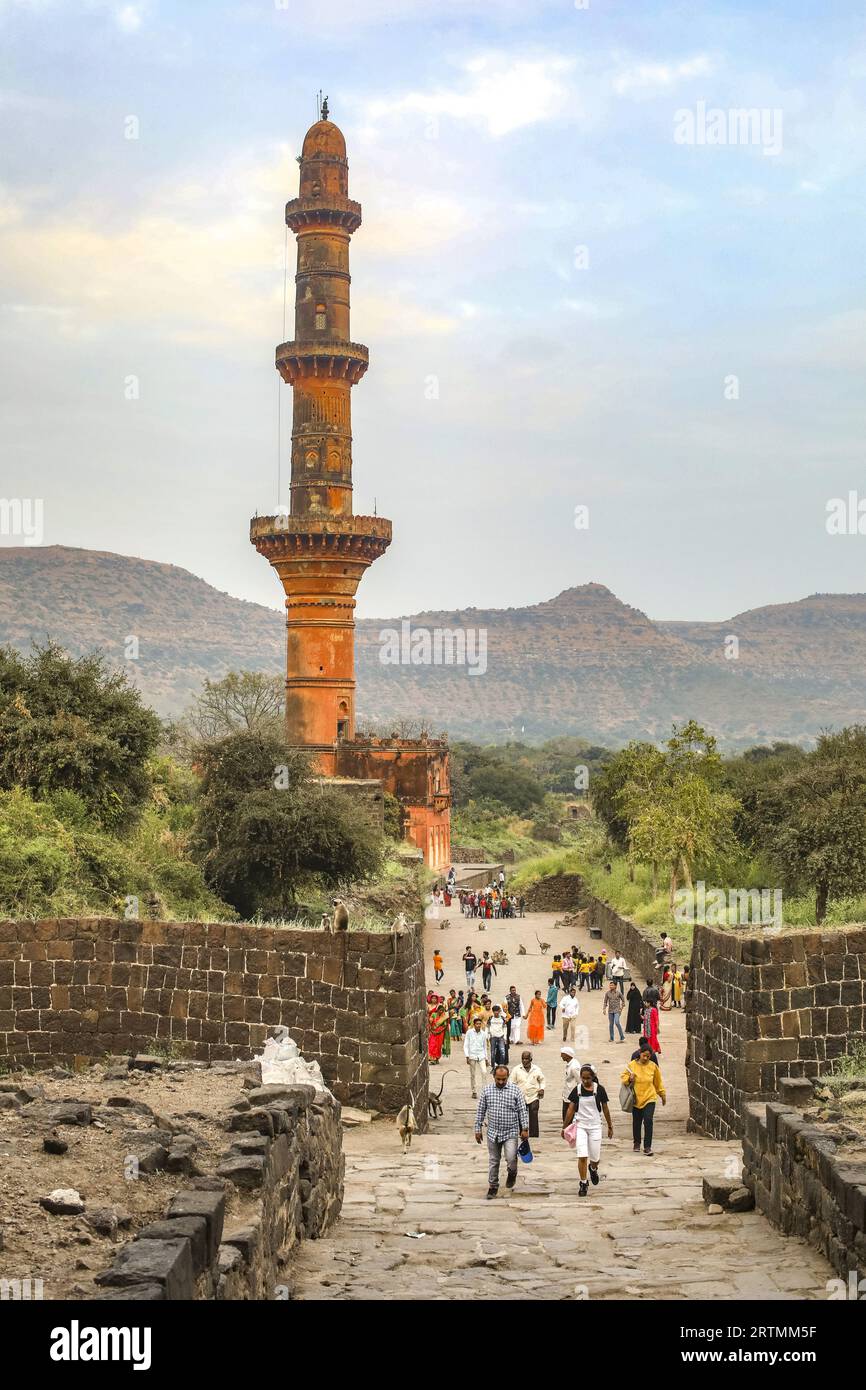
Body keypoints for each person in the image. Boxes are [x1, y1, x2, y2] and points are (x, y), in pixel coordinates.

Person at [474, 1064, 529, 1199]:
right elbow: (481, 1110)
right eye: (498, 1079)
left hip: (510, 1131)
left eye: (503, 1079)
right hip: (493, 1132)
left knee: (511, 1158)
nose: (501, 1082)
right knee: (494, 1160)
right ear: (494, 1077)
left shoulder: (515, 1091)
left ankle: (512, 1172)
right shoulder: (487, 1091)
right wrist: (477, 1128)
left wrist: (525, 1128)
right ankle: (493, 1186)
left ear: (507, 1077)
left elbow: (522, 1110)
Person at [562, 1063, 613, 1197]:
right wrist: (564, 1127)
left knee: (595, 1157)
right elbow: (571, 1109)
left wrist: (610, 1126)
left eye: (587, 1078)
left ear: (593, 1077)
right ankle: (583, 1183)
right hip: (581, 1126)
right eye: (583, 1078)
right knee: (582, 1155)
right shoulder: (577, 1090)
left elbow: (605, 1109)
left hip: (595, 1126)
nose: (585, 1081)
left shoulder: (600, 1090)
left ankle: (593, 1168)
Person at [622, 1042, 666, 1155]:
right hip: (636, 1098)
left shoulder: (653, 1066)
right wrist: (629, 1079)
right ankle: (637, 1142)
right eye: (644, 1055)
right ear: (640, 1054)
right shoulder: (632, 1065)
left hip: (649, 1097)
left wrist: (662, 1094)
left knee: (648, 1120)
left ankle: (647, 1146)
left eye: (648, 1056)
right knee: (637, 1122)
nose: (646, 1058)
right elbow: (623, 1077)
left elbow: (658, 1082)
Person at [509, 1050, 545, 1139]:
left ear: (530, 1059)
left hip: (533, 1095)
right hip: (521, 1097)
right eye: (523, 1059)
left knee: (533, 1112)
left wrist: (542, 1088)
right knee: (522, 1114)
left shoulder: (536, 1069)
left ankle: (534, 1135)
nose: (524, 1061)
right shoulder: (516, 1069)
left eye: (526, 1059)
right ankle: (523, 1133)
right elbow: (511, 1082)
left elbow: (542, 1080)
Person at [464, 1014, 489, 1098]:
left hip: (481, 1055)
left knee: (484, 1072)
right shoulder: (469, 1032)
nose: (478, 1025)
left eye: (479, 1024)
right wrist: (467, 1056)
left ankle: (484, 1091)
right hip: (472, 1055)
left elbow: (485, 1047)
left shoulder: (483, 1034)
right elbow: (466, 1045)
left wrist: (486, 1058)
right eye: (477, 1024)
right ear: (474, 1025)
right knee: (473, 1074)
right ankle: (474, 1091)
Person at [560, 1045, 583, 1122]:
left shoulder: (574, 1067)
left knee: (568, 1119)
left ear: (567, 1055)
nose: (561, 1056)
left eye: (562, 1054)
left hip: (571, 1097)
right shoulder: (571, 1064)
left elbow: (580, 1082)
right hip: (567, 1095)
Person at [427, 995, 448, 1064]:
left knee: (438, 1046)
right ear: (437, 1010)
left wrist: (439, 1031)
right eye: (440, 1010)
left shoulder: (444, 1016)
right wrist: (430, 1025)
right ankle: (432, 1058)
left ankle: (436, 1058)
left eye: (442, 1010)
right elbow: (430, 1020)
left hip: (440, 1033)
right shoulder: (433, 1014)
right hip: (433, 1031)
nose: (441, 1011)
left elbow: (445, 1026)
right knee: (432, 1044)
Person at [487, 1004, 509, 1069]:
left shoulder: (502, 1018)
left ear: (499, 1011)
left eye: (497, 1011)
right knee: (492, 1053)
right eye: (495, 1011)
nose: (496, 1012)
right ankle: (493, 1068)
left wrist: (505, 1037)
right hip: (493, 1037)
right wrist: (488, 1035)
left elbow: (505, 1028)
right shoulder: (490, 1018)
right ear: (493, 1011)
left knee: (503, 1052)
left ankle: (501, 1067)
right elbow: (488, 1027)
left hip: (501, 1037)